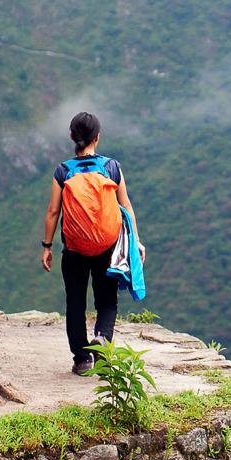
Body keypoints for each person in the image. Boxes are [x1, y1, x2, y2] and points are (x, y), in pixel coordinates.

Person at [41, 112, 142, 374]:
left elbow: (53, 212)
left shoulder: (63, 171)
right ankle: (102, 340)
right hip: (107, 247)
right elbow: (125, 205)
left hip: (74, 250)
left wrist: (47, 246)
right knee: (106, 301)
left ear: (72, 137)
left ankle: (82, 359)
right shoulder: (112, 168)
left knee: (75, 302)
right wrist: (136, 242)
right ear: (97, 137)